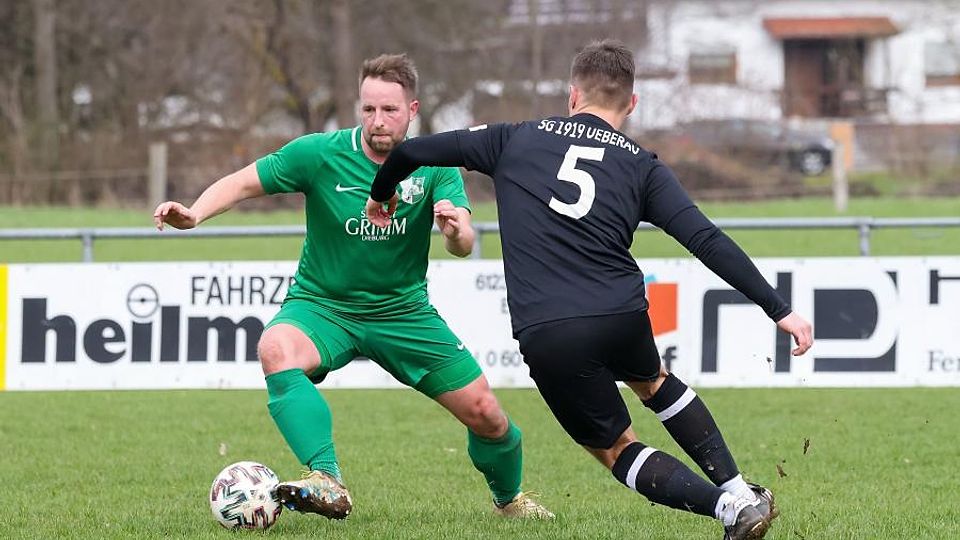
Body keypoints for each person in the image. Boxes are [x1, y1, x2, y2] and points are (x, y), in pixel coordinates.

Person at [365, 40, 813, 539]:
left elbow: (409, 151)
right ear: (633, 104)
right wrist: (780, 310)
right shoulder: (644, 166)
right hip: (622, 312)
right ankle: (738, 490)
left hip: (550, 328)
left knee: (615, 448)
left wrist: (380, 196)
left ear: (572, 95)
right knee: (655, 382)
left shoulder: (514, 138)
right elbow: (705, 238)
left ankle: (728, 509)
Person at [153, 53, 552, 521]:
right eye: (368, 109)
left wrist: (452, 230)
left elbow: (463, 240)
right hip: (324, 307)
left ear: (413, 110)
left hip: (403, 314)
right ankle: (326, 479)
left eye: (389, 110)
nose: (377, 121)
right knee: (276, 348)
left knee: (487, 415)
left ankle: (510, 502)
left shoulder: (435, 165)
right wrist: (196, 213)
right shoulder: (319, 154)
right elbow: (244, 183)